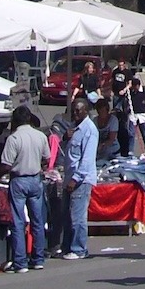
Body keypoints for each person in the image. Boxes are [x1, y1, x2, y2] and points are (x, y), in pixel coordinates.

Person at [0, 104, 49, 272]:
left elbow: (6, 165)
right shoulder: (40, 136)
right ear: (29, 118)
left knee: (18, 222)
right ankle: (38, 258)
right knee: (38, 221)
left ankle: (20, 262)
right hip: (35, 179)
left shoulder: (14, 139)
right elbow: (46, 158)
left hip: (19, 180)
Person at [57, 97, 98, 260]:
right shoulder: (74, 128)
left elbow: (87, 159)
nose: (74, 113)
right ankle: (67, 246)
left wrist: (76, 179)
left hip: (81, 180)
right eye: (73, 110)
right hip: (69, 177)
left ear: (86, 111)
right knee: (67, 215)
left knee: (78, 216)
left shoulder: (89, 130)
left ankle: (79, 248)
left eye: (78, 110)